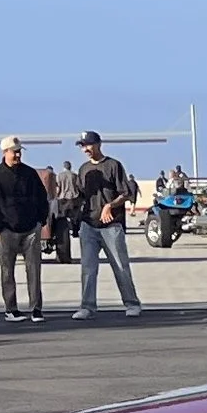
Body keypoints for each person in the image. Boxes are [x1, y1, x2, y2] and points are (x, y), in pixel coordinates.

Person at [71, 131, 143, 319]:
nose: (85, 149)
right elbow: (81, 195)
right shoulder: (84, 169)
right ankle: (87, 307)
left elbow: (125, 193)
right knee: (88, 269)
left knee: (120, 266)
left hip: (111, 227)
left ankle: (132, 303)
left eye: (88, 145)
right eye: (82, 146)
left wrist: (109, 206)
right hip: (89, 225)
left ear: (98, 144)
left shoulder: (113, 165)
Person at [0, 135, 50, 322]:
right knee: (7, 271)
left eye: (19, 152)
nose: (18, 155)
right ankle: (11, 309)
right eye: (14, 152)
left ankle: (36, 309)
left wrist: (40, 221)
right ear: (5, 152)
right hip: (7, 231)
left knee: (34, 270)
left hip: (31, 230)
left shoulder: (30, 174)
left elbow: (42, 198)